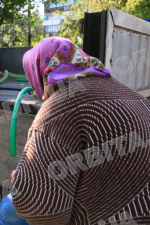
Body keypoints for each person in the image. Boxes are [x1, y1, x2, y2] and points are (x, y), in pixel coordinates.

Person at [10, 37, 150, 224]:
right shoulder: (123, 89)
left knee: (8, 213)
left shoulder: (61, 104)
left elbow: (40, 208)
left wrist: (21, 182)